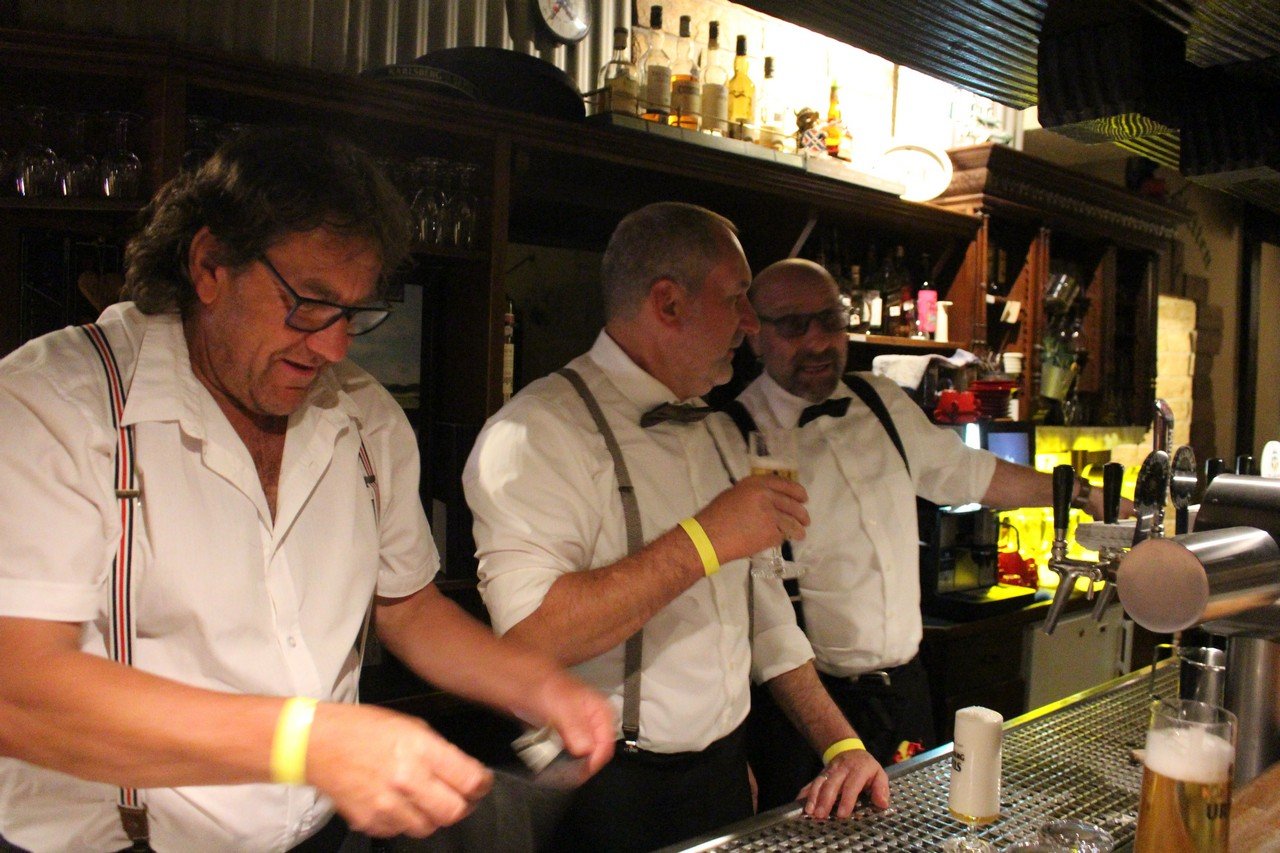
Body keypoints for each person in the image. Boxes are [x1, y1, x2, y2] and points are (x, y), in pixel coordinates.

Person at [0, 127, 615, 853]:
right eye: (308, 302)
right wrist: (306, 741)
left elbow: (408, 608)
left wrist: (535, 685)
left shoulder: (365, 416)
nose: (333, 346)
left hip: (321, 837)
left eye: (353, 313)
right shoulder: (55, 404)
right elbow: (20, 691)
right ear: (209, 265)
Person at [462, 203, 890, 853]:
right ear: (668, 303)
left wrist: (841, 744)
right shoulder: (535, 432)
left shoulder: (718, 431)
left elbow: (765, 614)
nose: (751, 323)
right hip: (600, 791)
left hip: (722, 776)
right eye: (737, 298)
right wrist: (706, 539)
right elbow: (530, 638)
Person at [736, 258, 1129, 809]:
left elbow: (976, 475)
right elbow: (765, 624)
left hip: (907, 695)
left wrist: (1082, 494)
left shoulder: (880, 402)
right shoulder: (733, 436)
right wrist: (839, 745)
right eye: (794, 326)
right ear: (754, 333)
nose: (819, 341)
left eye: (829, 321)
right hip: (805, 717)